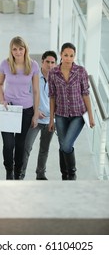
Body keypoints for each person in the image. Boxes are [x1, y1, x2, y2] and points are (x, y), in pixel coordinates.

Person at [48, 42, 95, 180]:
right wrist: (52, 119)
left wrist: (91, 117)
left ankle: (72, 174)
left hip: (77, 115)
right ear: (61, 55)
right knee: (63, 146)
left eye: (71, 55)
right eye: (66, 55)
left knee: (67, 145)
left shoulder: (81, 71)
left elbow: (86, 94)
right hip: (61, 114)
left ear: (74, 56)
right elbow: (52, 96)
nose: (68, 58)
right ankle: (65, 176)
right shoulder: (53, 73)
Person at [0, 36, 39, 180]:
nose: (18, 52)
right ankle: (9, 170)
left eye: (21, 48)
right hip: (9, 110)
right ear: (11, 50)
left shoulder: (33, 65)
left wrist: (35, 114)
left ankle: (18, 172)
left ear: (25, 49)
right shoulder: (5, 64)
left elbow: (36, 91)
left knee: (20, 144)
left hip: (26, 110)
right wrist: (2, 100)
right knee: (8, 145)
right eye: (15, 49)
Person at [21, 51, 57, 180]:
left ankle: (40, 174)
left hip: (50, 121)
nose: (50, 65)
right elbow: (27, 94)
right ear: (42, 62)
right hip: (35, 118)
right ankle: (21, 174)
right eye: (47, 62)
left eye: (53, 62)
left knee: (44, 149)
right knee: (26, 147)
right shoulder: (34, 77)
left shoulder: (57, 80)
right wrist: (35, 111)